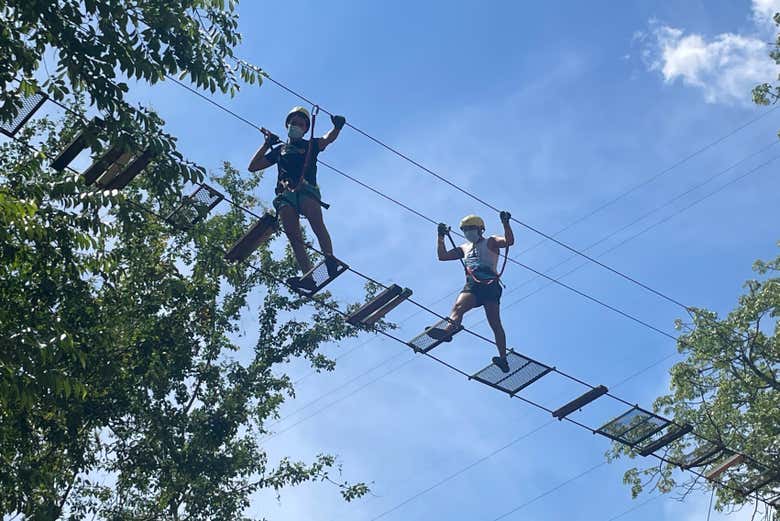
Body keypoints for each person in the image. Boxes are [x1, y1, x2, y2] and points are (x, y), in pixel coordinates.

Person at [248, 106, 346, 291]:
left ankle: (329, 257)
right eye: (294, 123)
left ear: (306, 128)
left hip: (306, 189)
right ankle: (308, 275)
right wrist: (267, 144)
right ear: (288, 125)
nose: (297, 126)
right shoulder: (280, 150)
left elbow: (327, 139)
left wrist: (337, 127)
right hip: (286, 194)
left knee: (316, 221)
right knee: (294, 236)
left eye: (301, 124)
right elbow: (253, 166)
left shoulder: (311, 145)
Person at [431, 211, 514, 372]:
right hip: (473, 285)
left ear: (480, 229)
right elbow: (443, 256)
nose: (468, 232)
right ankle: (447, 332)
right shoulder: (464, 247)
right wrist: (440, 237)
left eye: (471, 228)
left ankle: (503, 359)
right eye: (464, 229)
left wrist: (505, 223)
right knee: (458, 308)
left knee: (495, 323)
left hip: (490, 284)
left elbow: (509, 241)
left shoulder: (491, 241)